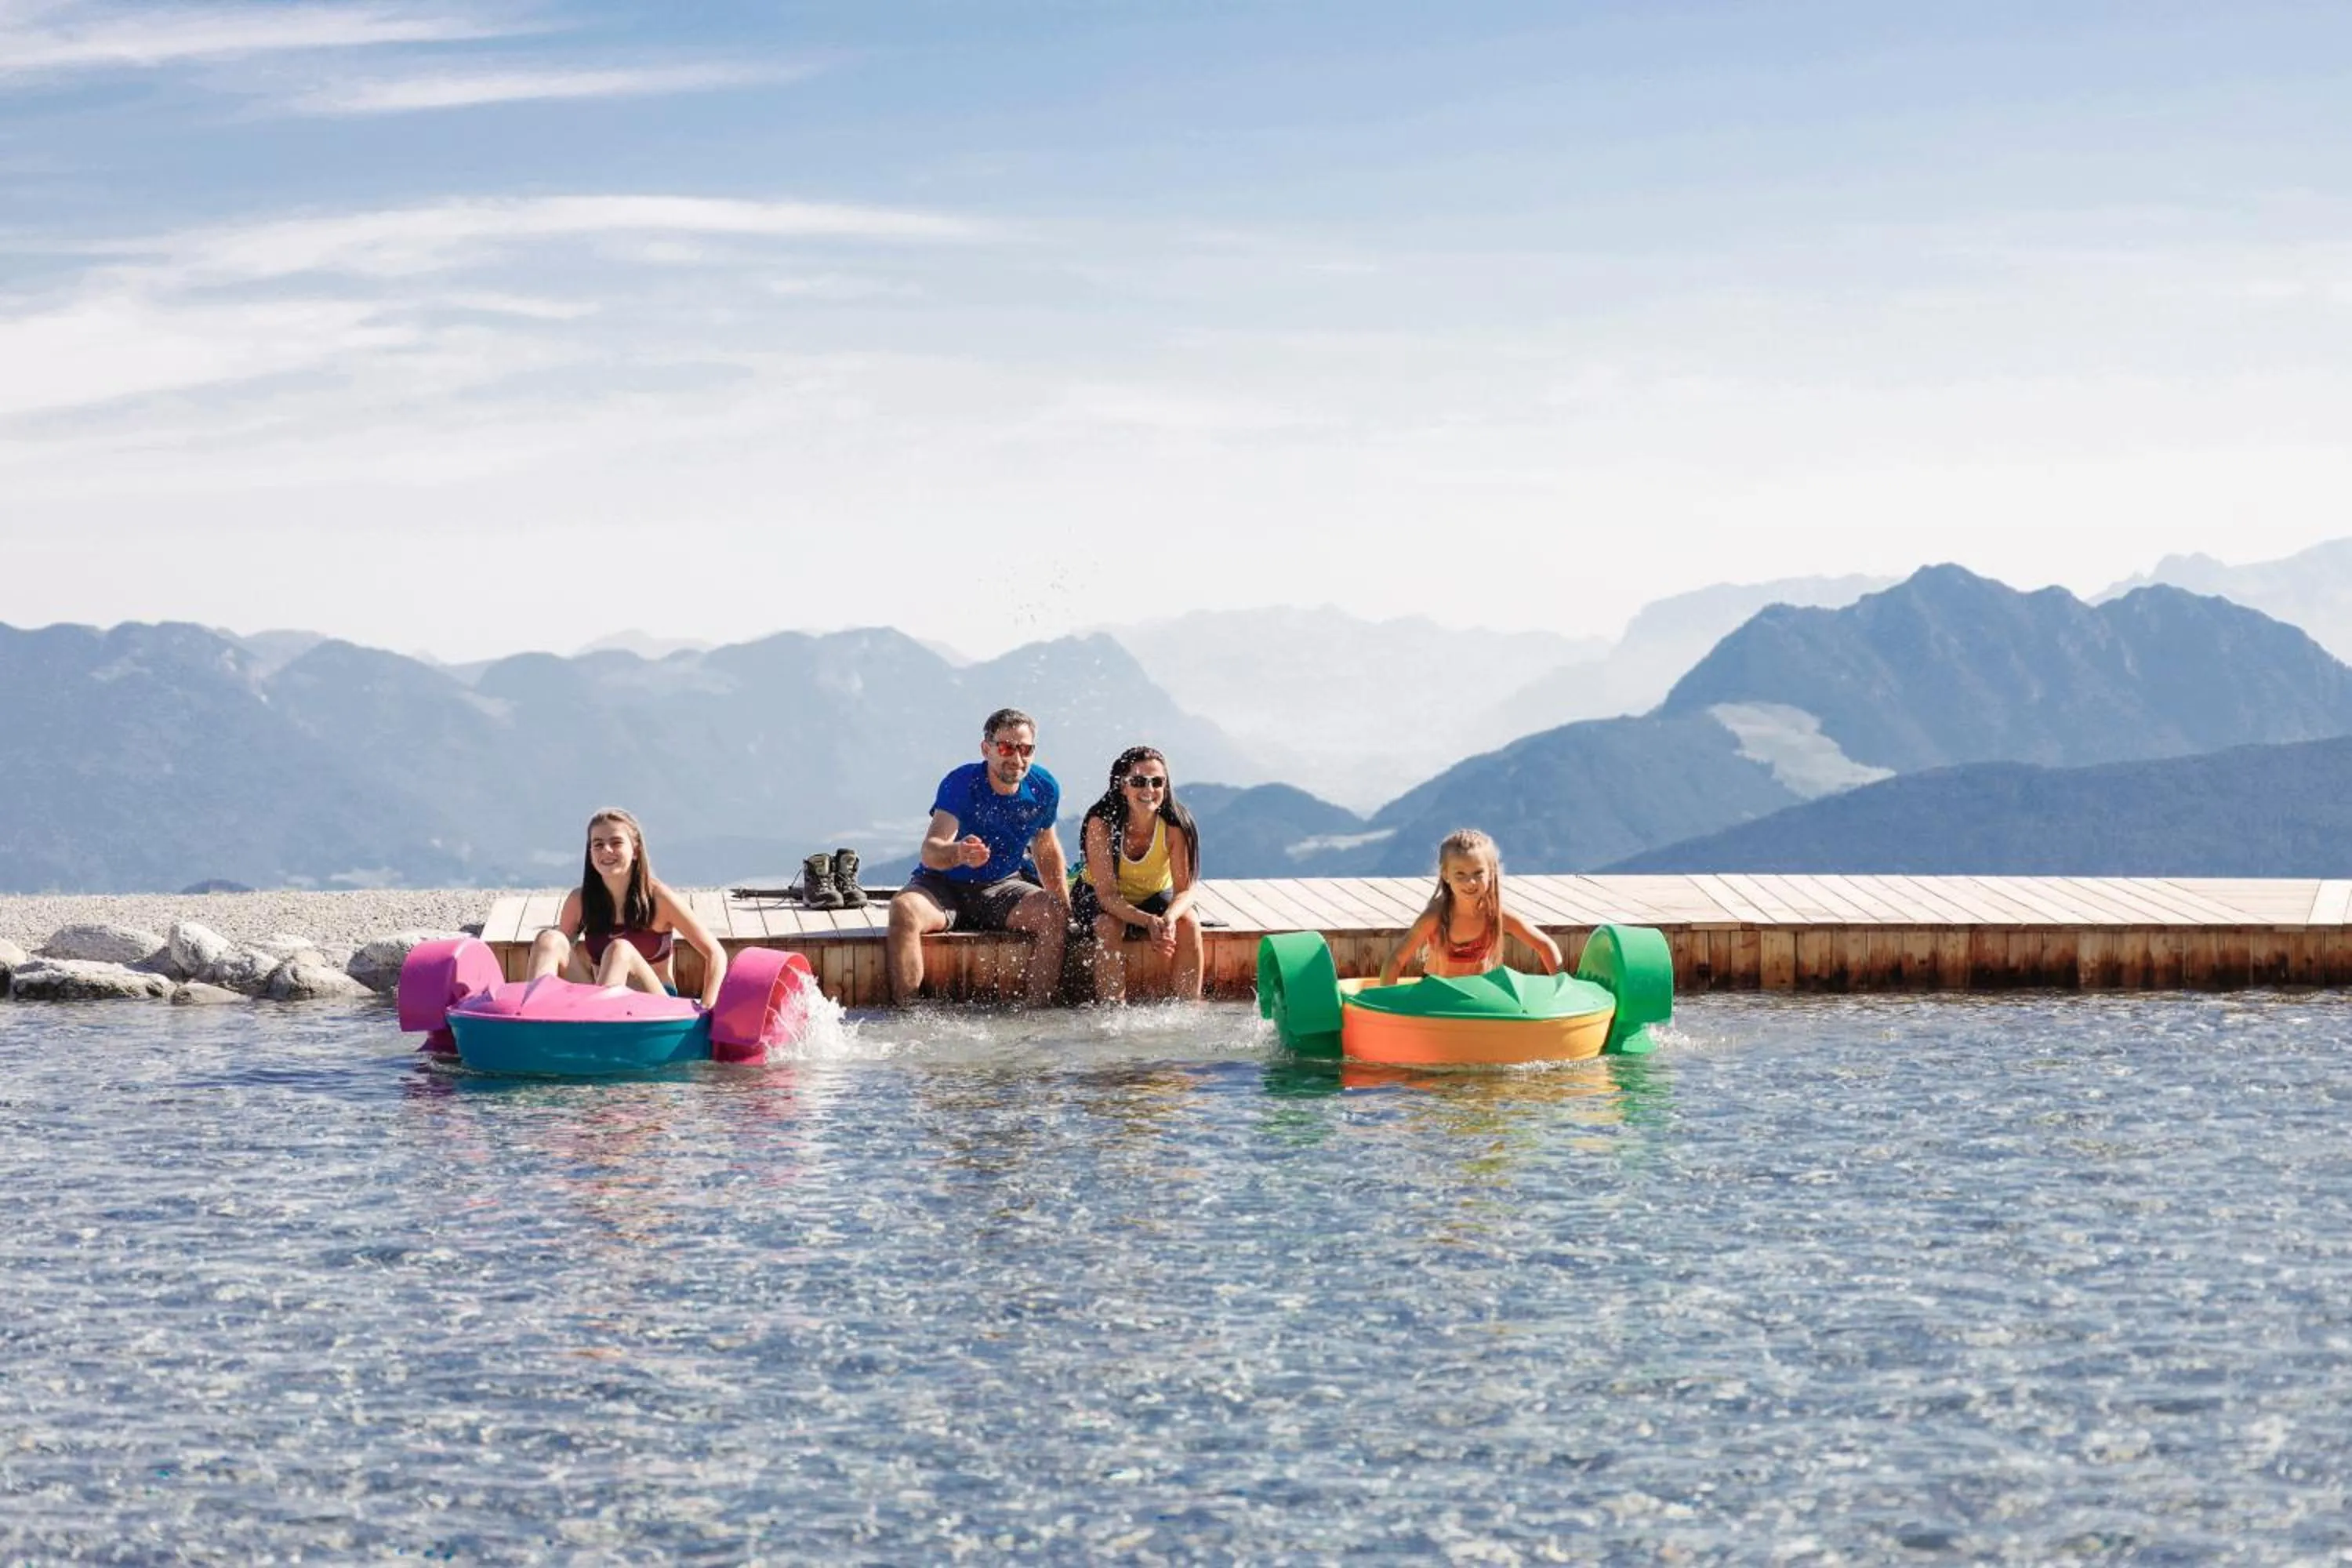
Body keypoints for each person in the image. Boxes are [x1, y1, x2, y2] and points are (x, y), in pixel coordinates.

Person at [887, 707, 1070, 1007]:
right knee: (904, 910)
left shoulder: (1044, 787)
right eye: (1007, 747)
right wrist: (958, 852)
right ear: (986, 749)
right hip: (943, 886)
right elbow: (931, 850)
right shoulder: (961, 782)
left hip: (1002, 886)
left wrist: (1063, 902)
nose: (1017, 758)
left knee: (1054, 914)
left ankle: (1037, 1012)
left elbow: (1046, 849)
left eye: (1026, 749)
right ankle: (910, 1013)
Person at [524, 807, 727, 1007]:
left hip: (655, 1007)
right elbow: (560, 957)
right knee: (549, 939)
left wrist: (707, 1010)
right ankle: (531, 1019)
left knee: (620, 951)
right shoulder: (580, 901)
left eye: (616, 842)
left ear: (636, 851)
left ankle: (598, 1024)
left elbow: (715, 953)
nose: (607, 850)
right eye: (598, 844)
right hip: (600, 997)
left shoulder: (659, 898)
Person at [1073, 745, 1203, 1004]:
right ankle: (1112, 1012)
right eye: (1139, 781)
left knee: (1188, 922)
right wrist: (1147, 922)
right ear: (1122, 786)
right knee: (1109, 926)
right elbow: (1108, 896)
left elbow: (1186, 890)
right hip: (1099, 896)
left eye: (1157, 782)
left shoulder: (1176, 825)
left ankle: (1189, 1007)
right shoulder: (1102, 823)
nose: (1149, 790)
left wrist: (1167, 920)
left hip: (1153, 894)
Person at [1377, 828, 1561, 985]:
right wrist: (1385, 1003)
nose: (1470, 882)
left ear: (1491, 873)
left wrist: (1562, 986)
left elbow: (1545, 946)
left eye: (1478, 873)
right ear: (1446, 875)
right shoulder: (1436, 917)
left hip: (1480, 996)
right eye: (1460, 874)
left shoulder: (1496, 915)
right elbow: (1396, 959)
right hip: (1436, 993)